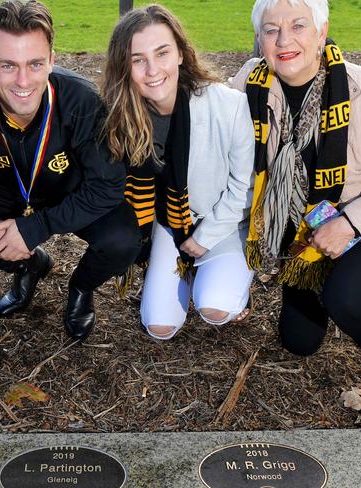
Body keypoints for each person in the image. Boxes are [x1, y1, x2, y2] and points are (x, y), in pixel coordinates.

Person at [230, 0, 361, 427]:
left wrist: (348, 223)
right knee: (299, 342)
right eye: (271, 29)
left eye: (298, 25)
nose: (284, 39)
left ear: (322, 30)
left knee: (346, 297)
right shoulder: (249, 84)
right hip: (302, 232)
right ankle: (315, 278)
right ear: (260, 38)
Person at [0, 0, 141, 342]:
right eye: (8, 65)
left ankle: (81, 287)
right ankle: (28, 265)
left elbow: (107, 187)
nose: (23, 81)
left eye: (35, 63)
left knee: (123, 239)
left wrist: (36, 227)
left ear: (52, 59)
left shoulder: (82, 101)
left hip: (69, 191)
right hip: (5, 194)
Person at [100, 5, 255, 340]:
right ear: (123, 66)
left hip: (221, 224)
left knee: (215, 308)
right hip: (168, 225)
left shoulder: (228, 106)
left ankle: (228, 277)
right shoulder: (120, 117)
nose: (152, 69)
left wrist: (203, 238)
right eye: (137, 58)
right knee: (159, 327)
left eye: (162, 53)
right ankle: (179, 270)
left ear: (182, 54)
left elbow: (243, 188)